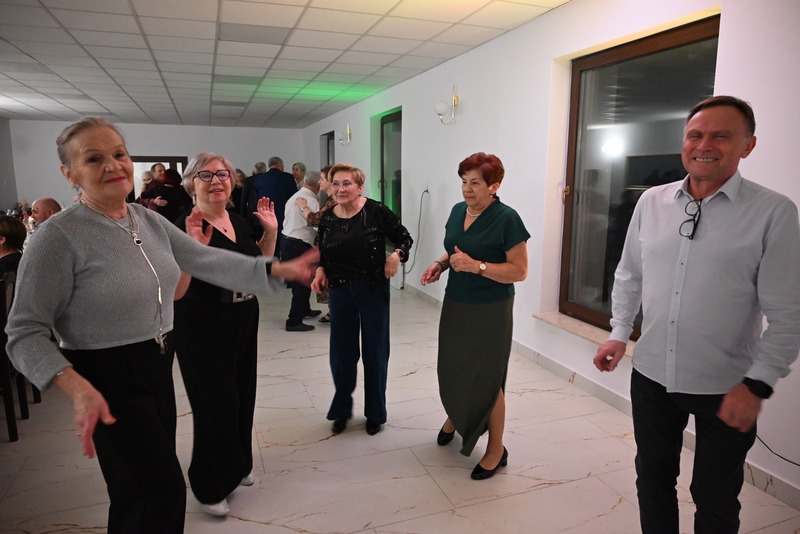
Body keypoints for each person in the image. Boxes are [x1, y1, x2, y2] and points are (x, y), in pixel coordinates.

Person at [4, 117, 317, 534]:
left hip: (157, 363)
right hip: (108, 376)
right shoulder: (57, 236)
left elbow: (206, 260)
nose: (113, 165)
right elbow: (23, 333)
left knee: (150, 489)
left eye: (119, 153)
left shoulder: (144, 218)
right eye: (93, 158)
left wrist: (277, 270)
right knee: (155, 492)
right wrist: (76, 388)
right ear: (69, 173)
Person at [593, 96, 800, 534]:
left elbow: (789, 314)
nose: (704, 145)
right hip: (651, 376)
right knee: (653, 482)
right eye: (695, 135)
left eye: (721, 136)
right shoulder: (651, 202)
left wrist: (758, 384)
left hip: (726, 385)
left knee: (715, 497)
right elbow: (629, 273)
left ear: (748, 145)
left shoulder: (773, 212)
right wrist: (618, 332)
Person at [172, 152, 278, 517]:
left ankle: (239, 462)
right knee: (215, 403)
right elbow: (175, 289)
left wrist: (271, 231)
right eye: (206, 175)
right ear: (192, 184)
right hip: (202, 323)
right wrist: (193, 250)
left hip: (243, 315)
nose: (216, 181)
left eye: (223, 174)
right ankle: (209, 484)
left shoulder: (239, 221)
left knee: (243, 391)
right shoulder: (182, 227)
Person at [420, 152, 529, 480]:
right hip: (457, 302)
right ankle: (457, 416)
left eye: (475, 183)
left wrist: (477, 267)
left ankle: (496, 449)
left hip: (490, 309)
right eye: (464, 181)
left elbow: (519, 271)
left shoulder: (507, 218)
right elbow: (455, 248)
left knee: (485, 377)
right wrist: (440, 264)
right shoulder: (458, 210)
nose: (467, 189)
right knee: (453, 366)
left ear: (494, 186)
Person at [311, 164, 412, 436]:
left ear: (359, 187)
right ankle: (342, 408)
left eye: (347, 183)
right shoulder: (328, 217)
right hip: (340, 292)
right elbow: (322, 251)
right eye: (336, 184)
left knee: (375, 352)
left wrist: (396, 256)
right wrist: (320, 270)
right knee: (342, 355)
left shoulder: (376, 211)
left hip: (372, 290)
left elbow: (404, 239)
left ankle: (376, 413)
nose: (340, 189)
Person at [282, 170, 321, 332]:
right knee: (302, 283)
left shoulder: (294, 197)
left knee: (301, 281)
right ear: (318, 185)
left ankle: (305, 309)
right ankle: (294, 321)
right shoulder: (311, 201)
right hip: (300, 244)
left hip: (288, 241)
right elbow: (317, 225)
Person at [297, 164, 335, 324]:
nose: (319, 181)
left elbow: (315, 219)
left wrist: (303, 207)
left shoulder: (333, 200)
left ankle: (336, 312)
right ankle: (333, 311)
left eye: (322, 179)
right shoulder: (330, 199)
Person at [242, 156, 297, 254]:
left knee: (265, 247)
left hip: (264, 218)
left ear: (269, 165)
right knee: (281, 248)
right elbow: (294, 198)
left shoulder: (259, 179)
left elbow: (253, 200)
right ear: (279, 165)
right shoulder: (288, 177)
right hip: (283, 218)